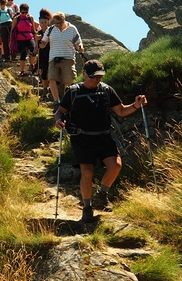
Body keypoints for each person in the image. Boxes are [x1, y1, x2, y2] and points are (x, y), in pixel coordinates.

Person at [54, 60, 148, 223]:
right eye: (93, 77)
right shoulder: (73, 92)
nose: (96, 80)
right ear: (84, 74)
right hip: (82, 138)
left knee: (116, 165)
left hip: (104, 136)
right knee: (87, 172)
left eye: (99, 77)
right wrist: (59, 121)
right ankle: (87, 208)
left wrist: (135, 105)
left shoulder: (106, 90)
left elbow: (120, 110)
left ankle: (102, 195)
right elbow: (61, 111)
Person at [40, 12, 83, 103]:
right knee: (51, 79)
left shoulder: (72, 29)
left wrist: (80, 47)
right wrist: (40, 42)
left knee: (68, 81)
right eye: (56, 23)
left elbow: (78, 42)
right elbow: (43, 44)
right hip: (53, 58)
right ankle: (57, 102)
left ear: (64, 20)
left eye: (60, 23)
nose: (58, 25)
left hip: (68, 58)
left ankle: (66, 102)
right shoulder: (50, 30)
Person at [10, 3, 38, 76]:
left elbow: (33, 30)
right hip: (20, 38)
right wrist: (11, 41)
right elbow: (12, 31)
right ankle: (22, 71)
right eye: (23, 12)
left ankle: (31, 64)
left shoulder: (30, 18)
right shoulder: (16, 19)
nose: (24, 14)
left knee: (33, 50)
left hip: (29, 37)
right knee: (23, 53)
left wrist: (36, 40)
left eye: (26, 12)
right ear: (20, 11)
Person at [36, 8, 53, 99]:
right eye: (41, 22)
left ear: (48, 22)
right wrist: (34, 53)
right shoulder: (39, 33)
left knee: (51, 72)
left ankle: (51, 89)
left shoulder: (51, 31)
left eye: (45, 22)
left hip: (52, 53)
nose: (43, 24)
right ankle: (45, 89)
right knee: (44, 72)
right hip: (42, 54)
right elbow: (36, 46)